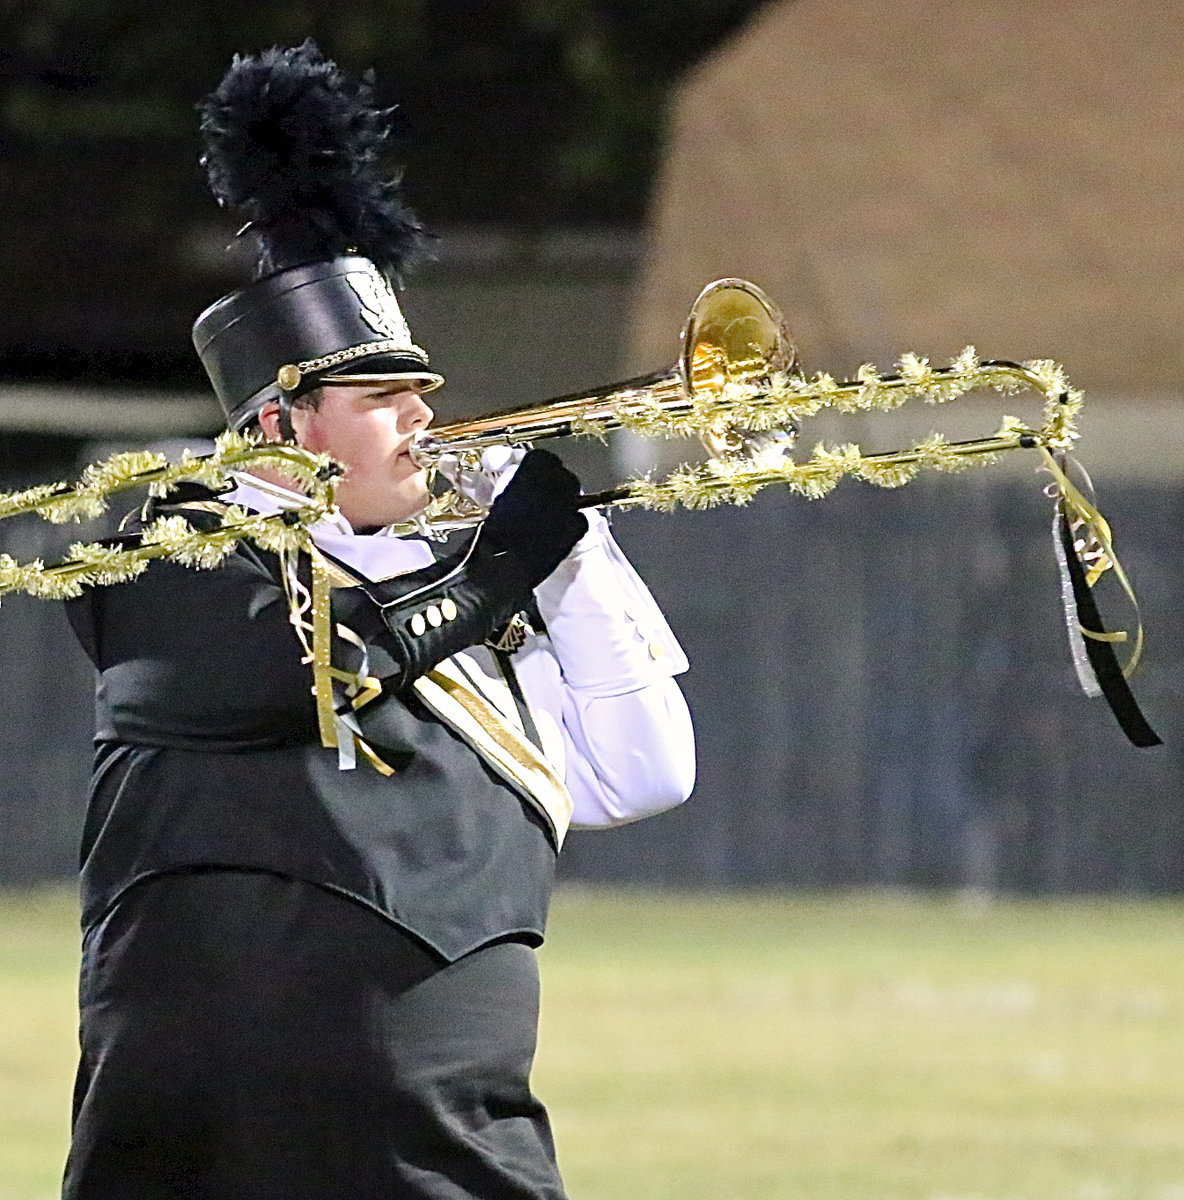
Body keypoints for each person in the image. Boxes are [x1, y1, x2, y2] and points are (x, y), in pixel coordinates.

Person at [60, 41, 694, 1200]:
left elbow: (641, 774)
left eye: (421, 392)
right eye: (381, 397)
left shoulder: (462, 571)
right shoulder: (160, 552)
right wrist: (496, 574)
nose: (422, 418)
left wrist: (574, 553)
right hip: (207, 1133)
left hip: (448, 1131)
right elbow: (295, 675)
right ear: (279, 425)